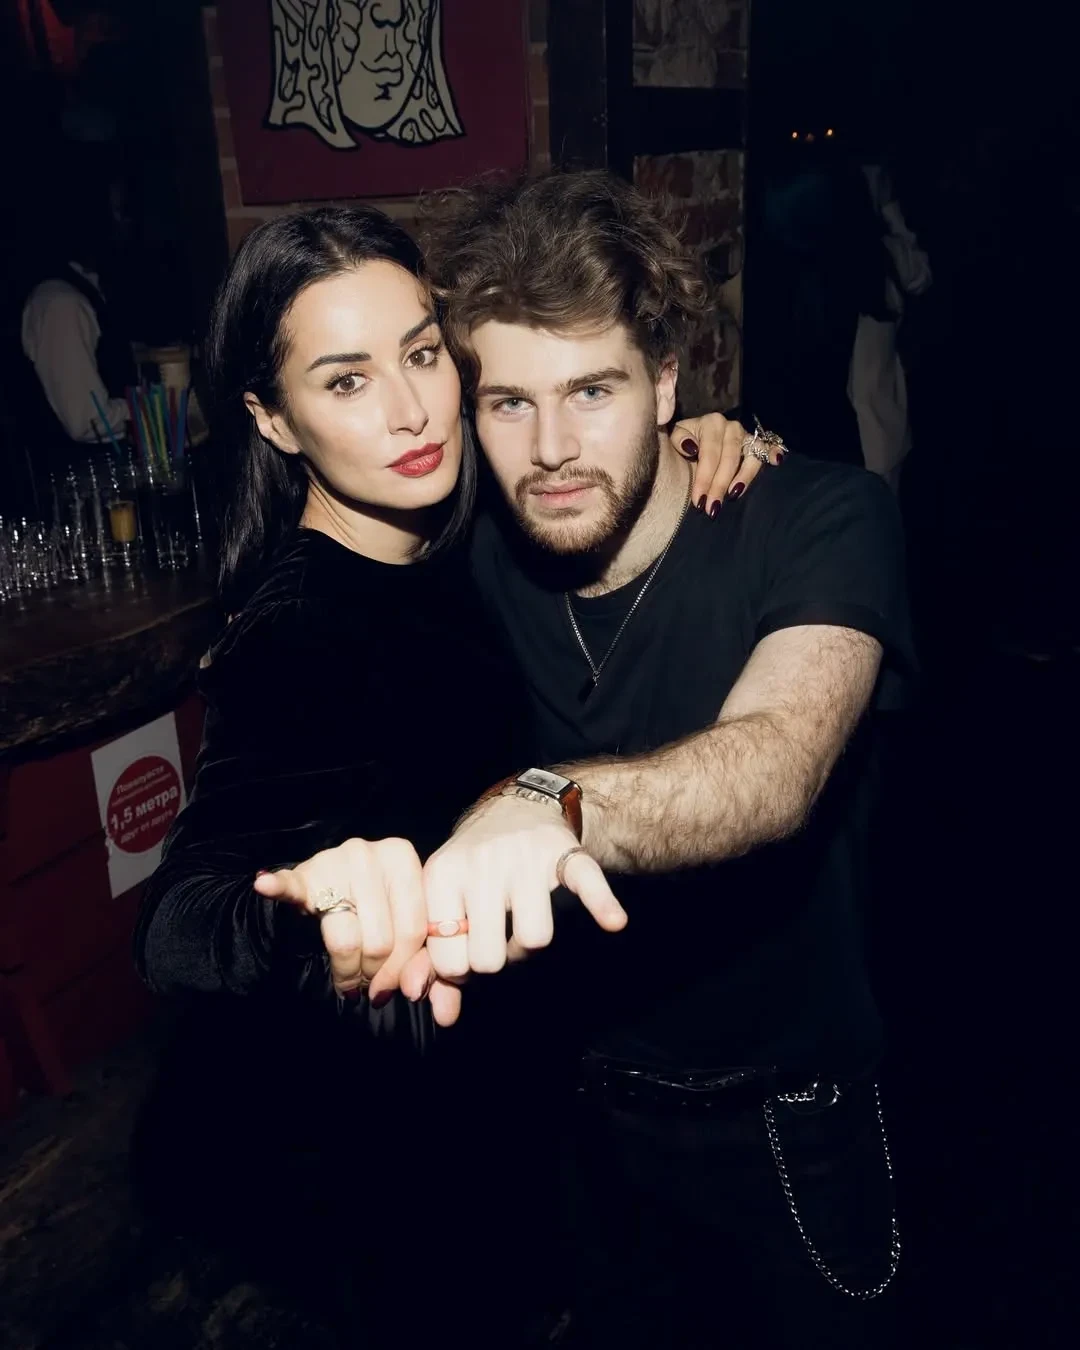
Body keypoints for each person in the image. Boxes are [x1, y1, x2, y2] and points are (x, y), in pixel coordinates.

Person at [130, 203, 767, 1341]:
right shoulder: (301, 632)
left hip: (515, 1110)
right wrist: (305, 905)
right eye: (346, 381)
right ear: (272, 420)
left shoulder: (449, 538)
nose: (412, 410)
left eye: (422, 355)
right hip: (395, 1166)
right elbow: (175, 921)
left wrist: (693, 437)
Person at [401, 171, 917, 1347]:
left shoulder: (821, 518)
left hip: (788, 1120)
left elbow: (776, 764)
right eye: (509, 402)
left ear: (668, 382)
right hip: (579, 1112)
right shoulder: (477, 556)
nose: (553, 450)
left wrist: (549, 804)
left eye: (594, 390)